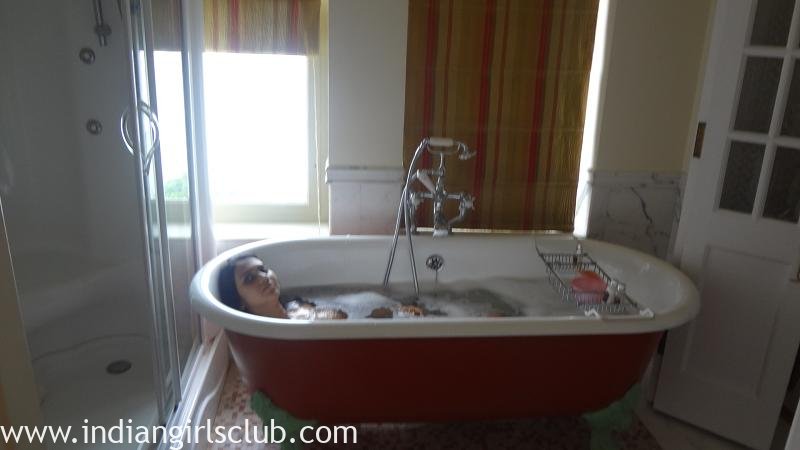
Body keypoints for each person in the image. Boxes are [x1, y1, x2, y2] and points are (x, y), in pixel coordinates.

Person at [217, 254, 348, 320]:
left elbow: (342, 318)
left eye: (262, 269)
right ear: (239, 300)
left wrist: (311, 315)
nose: (264, 277)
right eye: (249, 278)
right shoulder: (254, 338)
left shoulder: (297, 306)